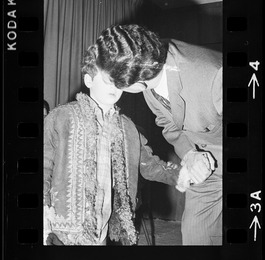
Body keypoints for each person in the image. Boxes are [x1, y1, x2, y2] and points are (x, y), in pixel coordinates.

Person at [43, 35, 214, 246]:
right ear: (88, 80)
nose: (113, 86)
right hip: (63, 226)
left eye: (117, 80)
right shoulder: (61, 118)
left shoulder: (127, 127)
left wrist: (182, 174)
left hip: (103, 225)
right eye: (106, 78)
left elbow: (150, 166)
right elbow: (43, 166)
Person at [92, 24, 222, 246]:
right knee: (196, 235)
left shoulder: (214, 76)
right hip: (205, 166)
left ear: (136, 84)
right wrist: (191, 153)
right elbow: (168, 123)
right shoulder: (145, 65)